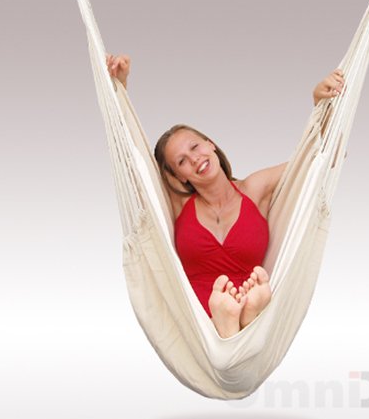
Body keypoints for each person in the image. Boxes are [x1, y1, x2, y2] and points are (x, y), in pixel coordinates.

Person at [106, 54, 344, 338]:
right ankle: (232, 318)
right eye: (182, 161)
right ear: (180, 177)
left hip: (251, 311)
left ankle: (239, 317)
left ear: (211, 144)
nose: (194, 159)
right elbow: (133, 165)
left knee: (245, 310)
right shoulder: (177, 205)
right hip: (199, 327)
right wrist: (119, 91)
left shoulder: (255, 189)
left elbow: (326, 157)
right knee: (228, 318)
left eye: (195, 147)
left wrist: (322, 106)